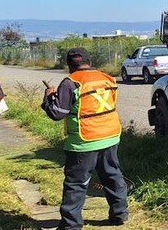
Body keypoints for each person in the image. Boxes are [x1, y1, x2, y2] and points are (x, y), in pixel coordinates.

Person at [41, 47, 128, 229]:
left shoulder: (70, 82)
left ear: (69, 65)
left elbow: (57, 114)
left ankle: (71, 225)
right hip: (111, 135)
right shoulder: (107, 78)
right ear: (89, 61)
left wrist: (49, 98)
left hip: (84, 140)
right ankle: (119, 214)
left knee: (76, 183)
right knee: (112, 175)